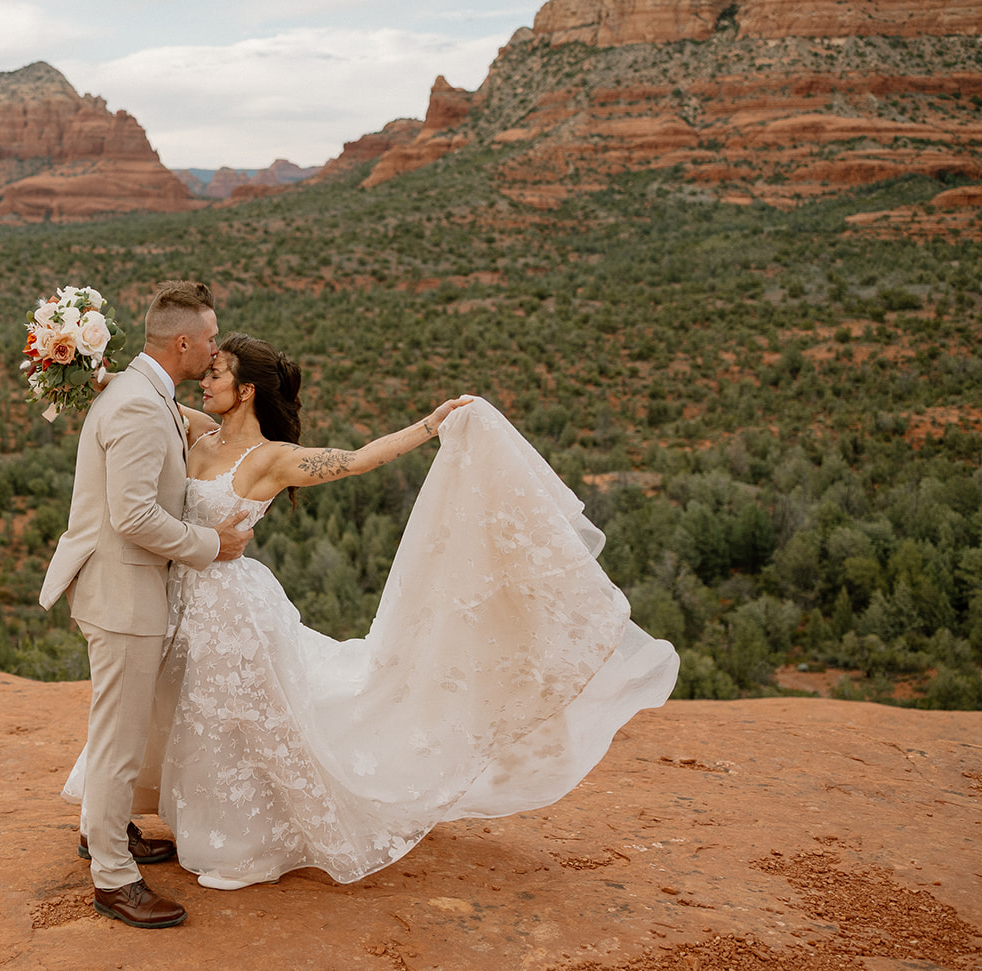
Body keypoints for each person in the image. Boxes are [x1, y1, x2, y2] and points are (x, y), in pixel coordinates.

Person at [64, 333, 680, 891]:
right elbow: (143, 395)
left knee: (228, 721)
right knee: (162, 705)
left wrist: (428, 425)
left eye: (217, 373)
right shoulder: (197, 430)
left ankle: (237, 837)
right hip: (177, 599)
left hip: (229, 610)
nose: (205, 380)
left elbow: (356, 459)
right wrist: (75, 354)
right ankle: (114, 818)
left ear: (246, 389)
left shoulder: (271, 458)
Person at [39, 282, 254, 928]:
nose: (216, 349)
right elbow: (133, 514)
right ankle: (112, 876)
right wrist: (210, 544)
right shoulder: (136, 405)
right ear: (183, 342)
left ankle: (100, 831)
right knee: (120, 738)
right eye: (211, 339)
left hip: (120, 586)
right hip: (122, 590)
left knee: (117, 728)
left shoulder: (143, 393)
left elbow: (163, 434)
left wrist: (202, 422)